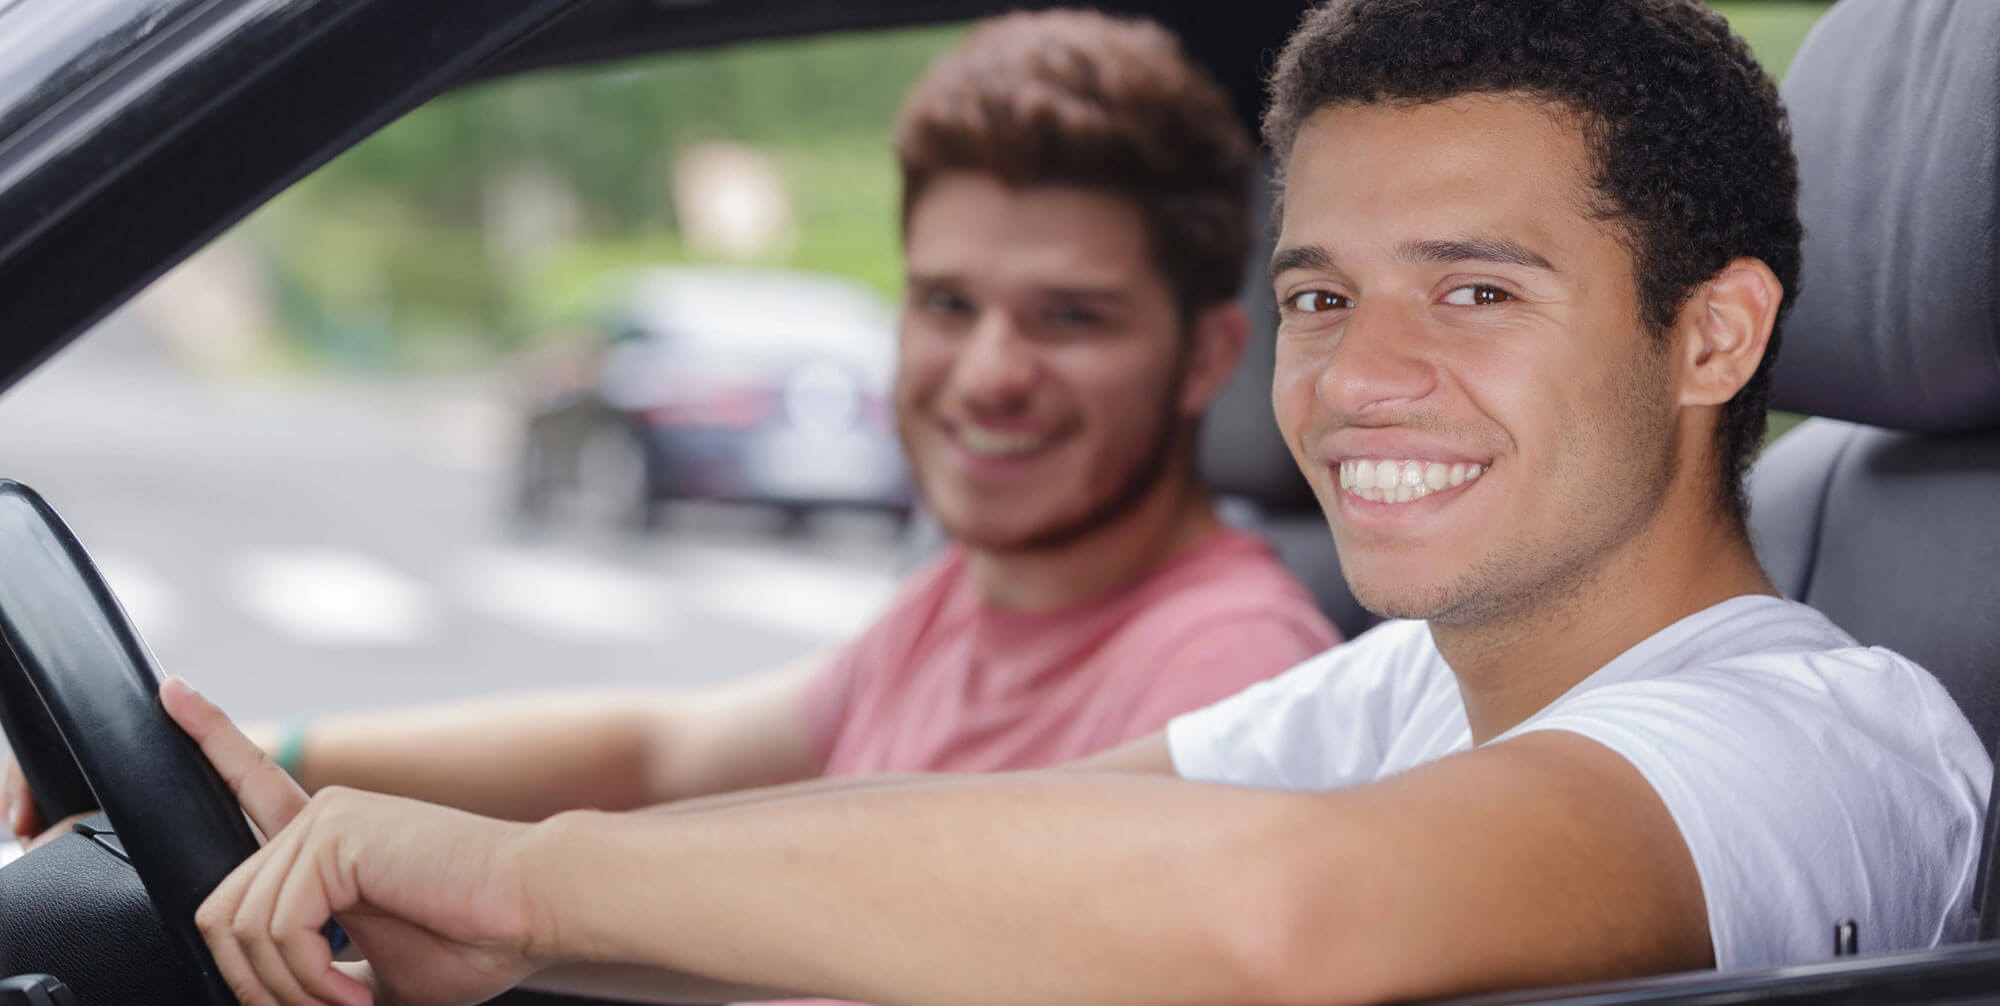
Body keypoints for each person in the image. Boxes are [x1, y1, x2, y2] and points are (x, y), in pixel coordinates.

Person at [142, 0, 2000, 1002]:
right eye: (1321, 297)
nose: (1355, 377)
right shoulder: (1409, 688)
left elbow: (1286, 915)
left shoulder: (1826, 736)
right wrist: (513, 932)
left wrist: (530, 874)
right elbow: (964, 843)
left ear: (1709, 335)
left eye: (1475, 291)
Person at [3, 11, 1336, 841]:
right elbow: (656, 752)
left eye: (1071, 318)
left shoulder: (1226, 677)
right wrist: (247, 757)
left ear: (1205, 357)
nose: (988, 372)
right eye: (947, 302)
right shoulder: (971, 602)